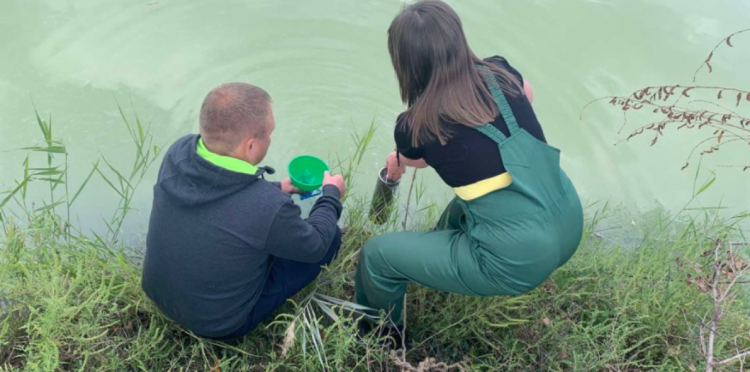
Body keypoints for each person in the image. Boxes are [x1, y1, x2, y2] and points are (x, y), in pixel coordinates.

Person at [355, 0, 584, 343]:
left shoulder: (417, 125)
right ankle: (433, 259)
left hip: (517, 260)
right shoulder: (501, 71)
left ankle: (380, 338)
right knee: (465, 204)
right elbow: (528, 93)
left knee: (376, 256)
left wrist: (395, 166)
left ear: (406, 64)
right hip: (567, 219)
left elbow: (415, 160)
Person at [141, 82, 346, 340]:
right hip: (218, 324)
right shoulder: (268, 207)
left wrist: (278, 187)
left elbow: (219, 191)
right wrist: (331, 195)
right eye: (269, 133)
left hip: (156, 292)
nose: (271, 138)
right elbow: (315, 244)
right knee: (330, 239)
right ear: (250, 146)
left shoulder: (178, 152)